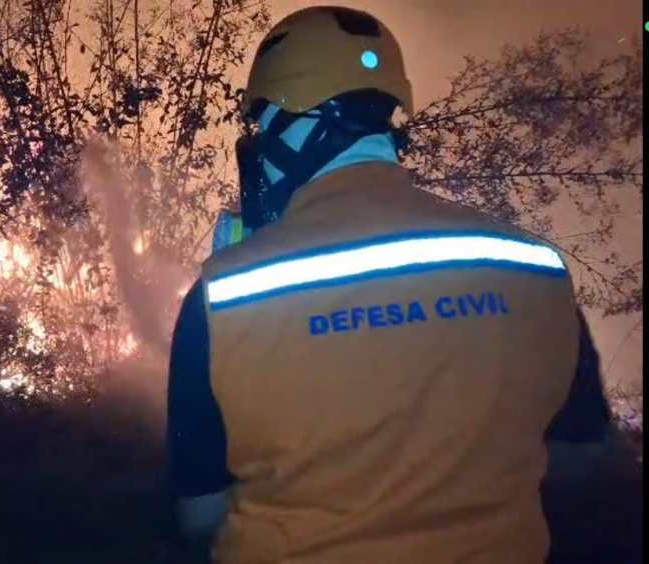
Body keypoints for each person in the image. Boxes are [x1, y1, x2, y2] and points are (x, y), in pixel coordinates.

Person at [166, 6, 630, 563]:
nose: (258, 150)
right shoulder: (536, 268)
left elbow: (200, 516)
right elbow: (582, 459)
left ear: (302, 124)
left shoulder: (220, 297)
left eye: (262, 128)